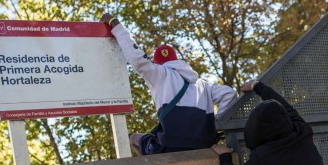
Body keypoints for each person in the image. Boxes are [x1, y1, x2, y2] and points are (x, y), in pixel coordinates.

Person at [99, 14, 238, 155]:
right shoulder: (203, 84)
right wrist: (216, 125)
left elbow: (138, 59)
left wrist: (115, 25)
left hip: (171, 145)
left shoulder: (160, 73)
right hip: (206, 144)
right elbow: (229, 94)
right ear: (176, 61)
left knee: (135, 138)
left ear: (158, 63)